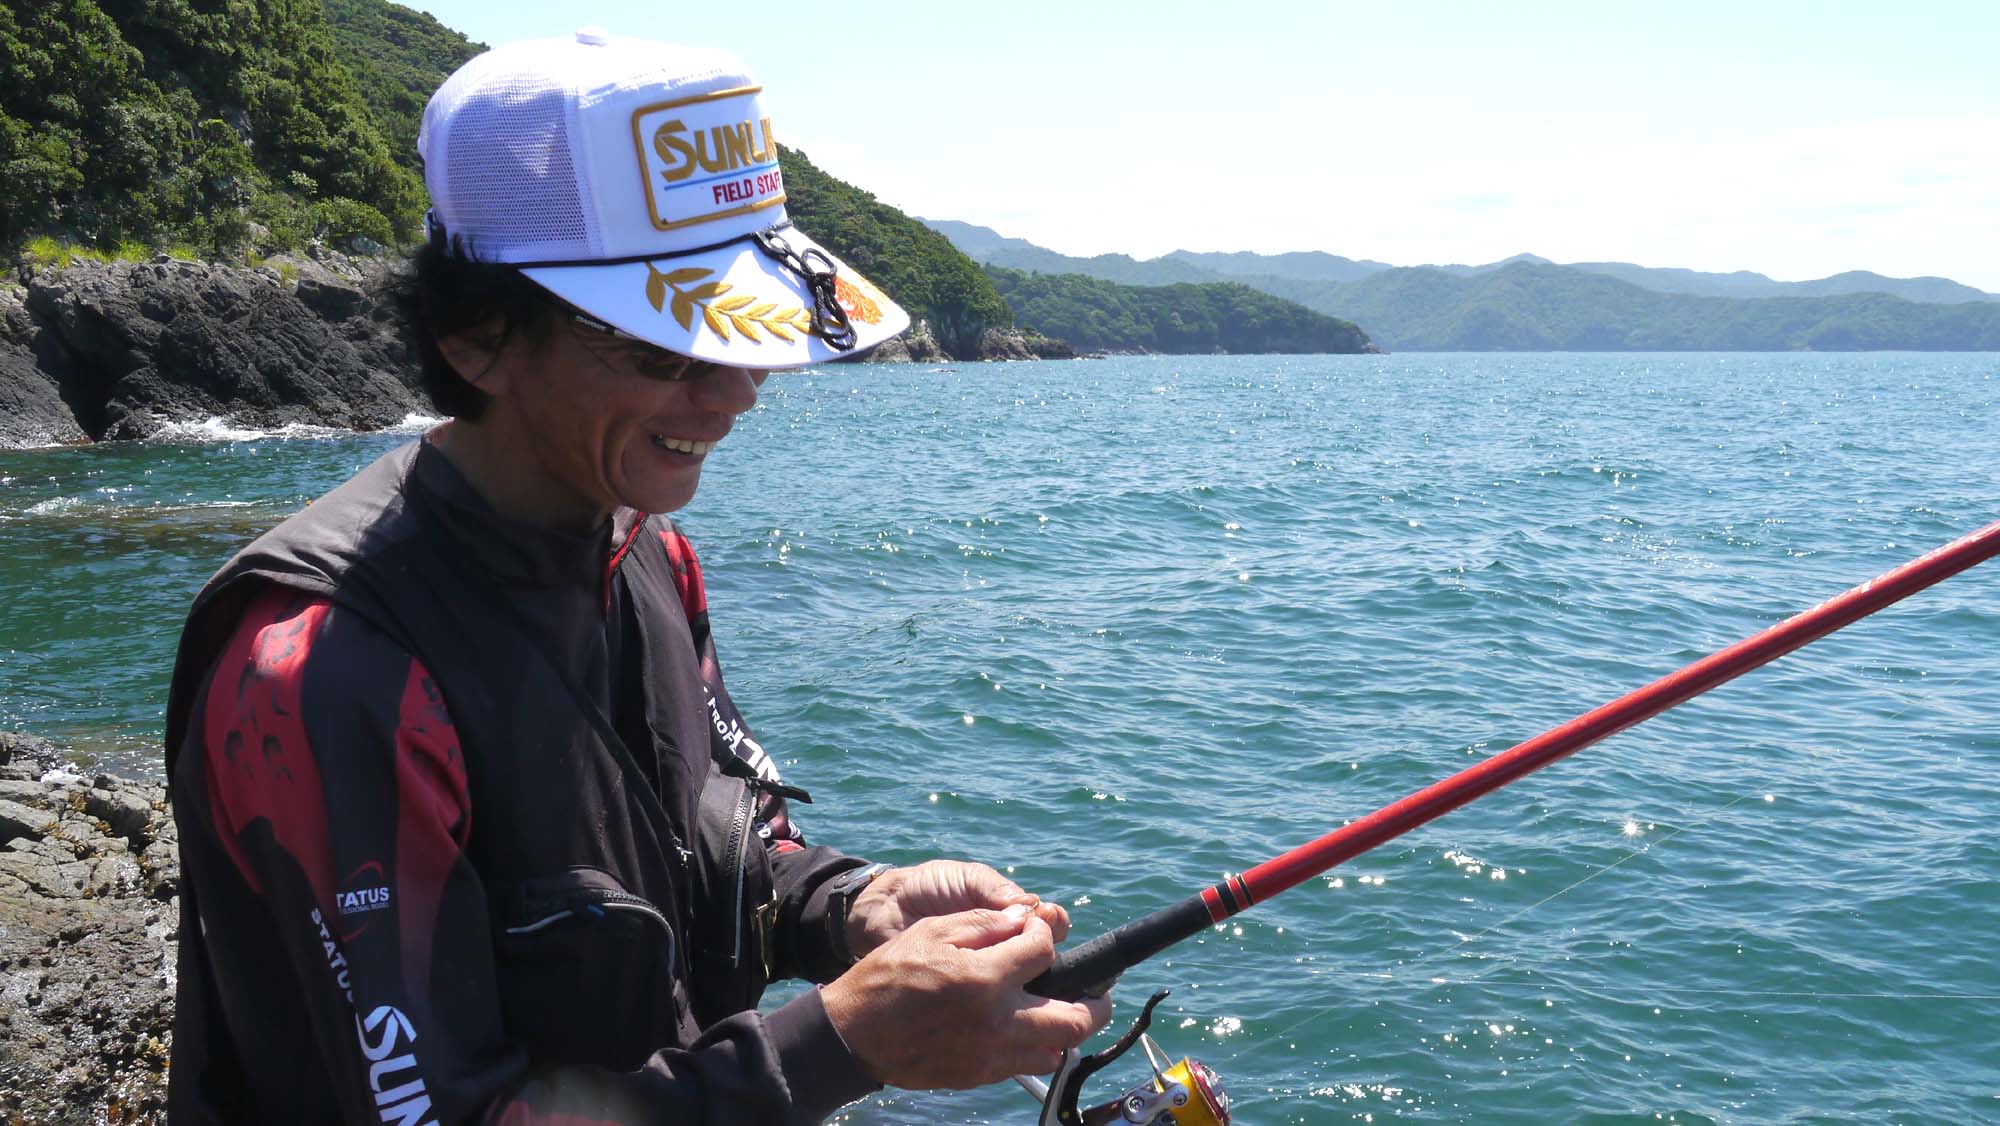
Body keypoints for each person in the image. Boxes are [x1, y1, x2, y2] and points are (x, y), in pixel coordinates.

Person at [162, 30, 1110, 1124]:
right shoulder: (321, 675)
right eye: (668, 347)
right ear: (477, 336)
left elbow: (708, 833)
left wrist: (853, 905)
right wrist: (842, 1041)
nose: (736, 392)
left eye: (745, 331)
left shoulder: (648, 550)